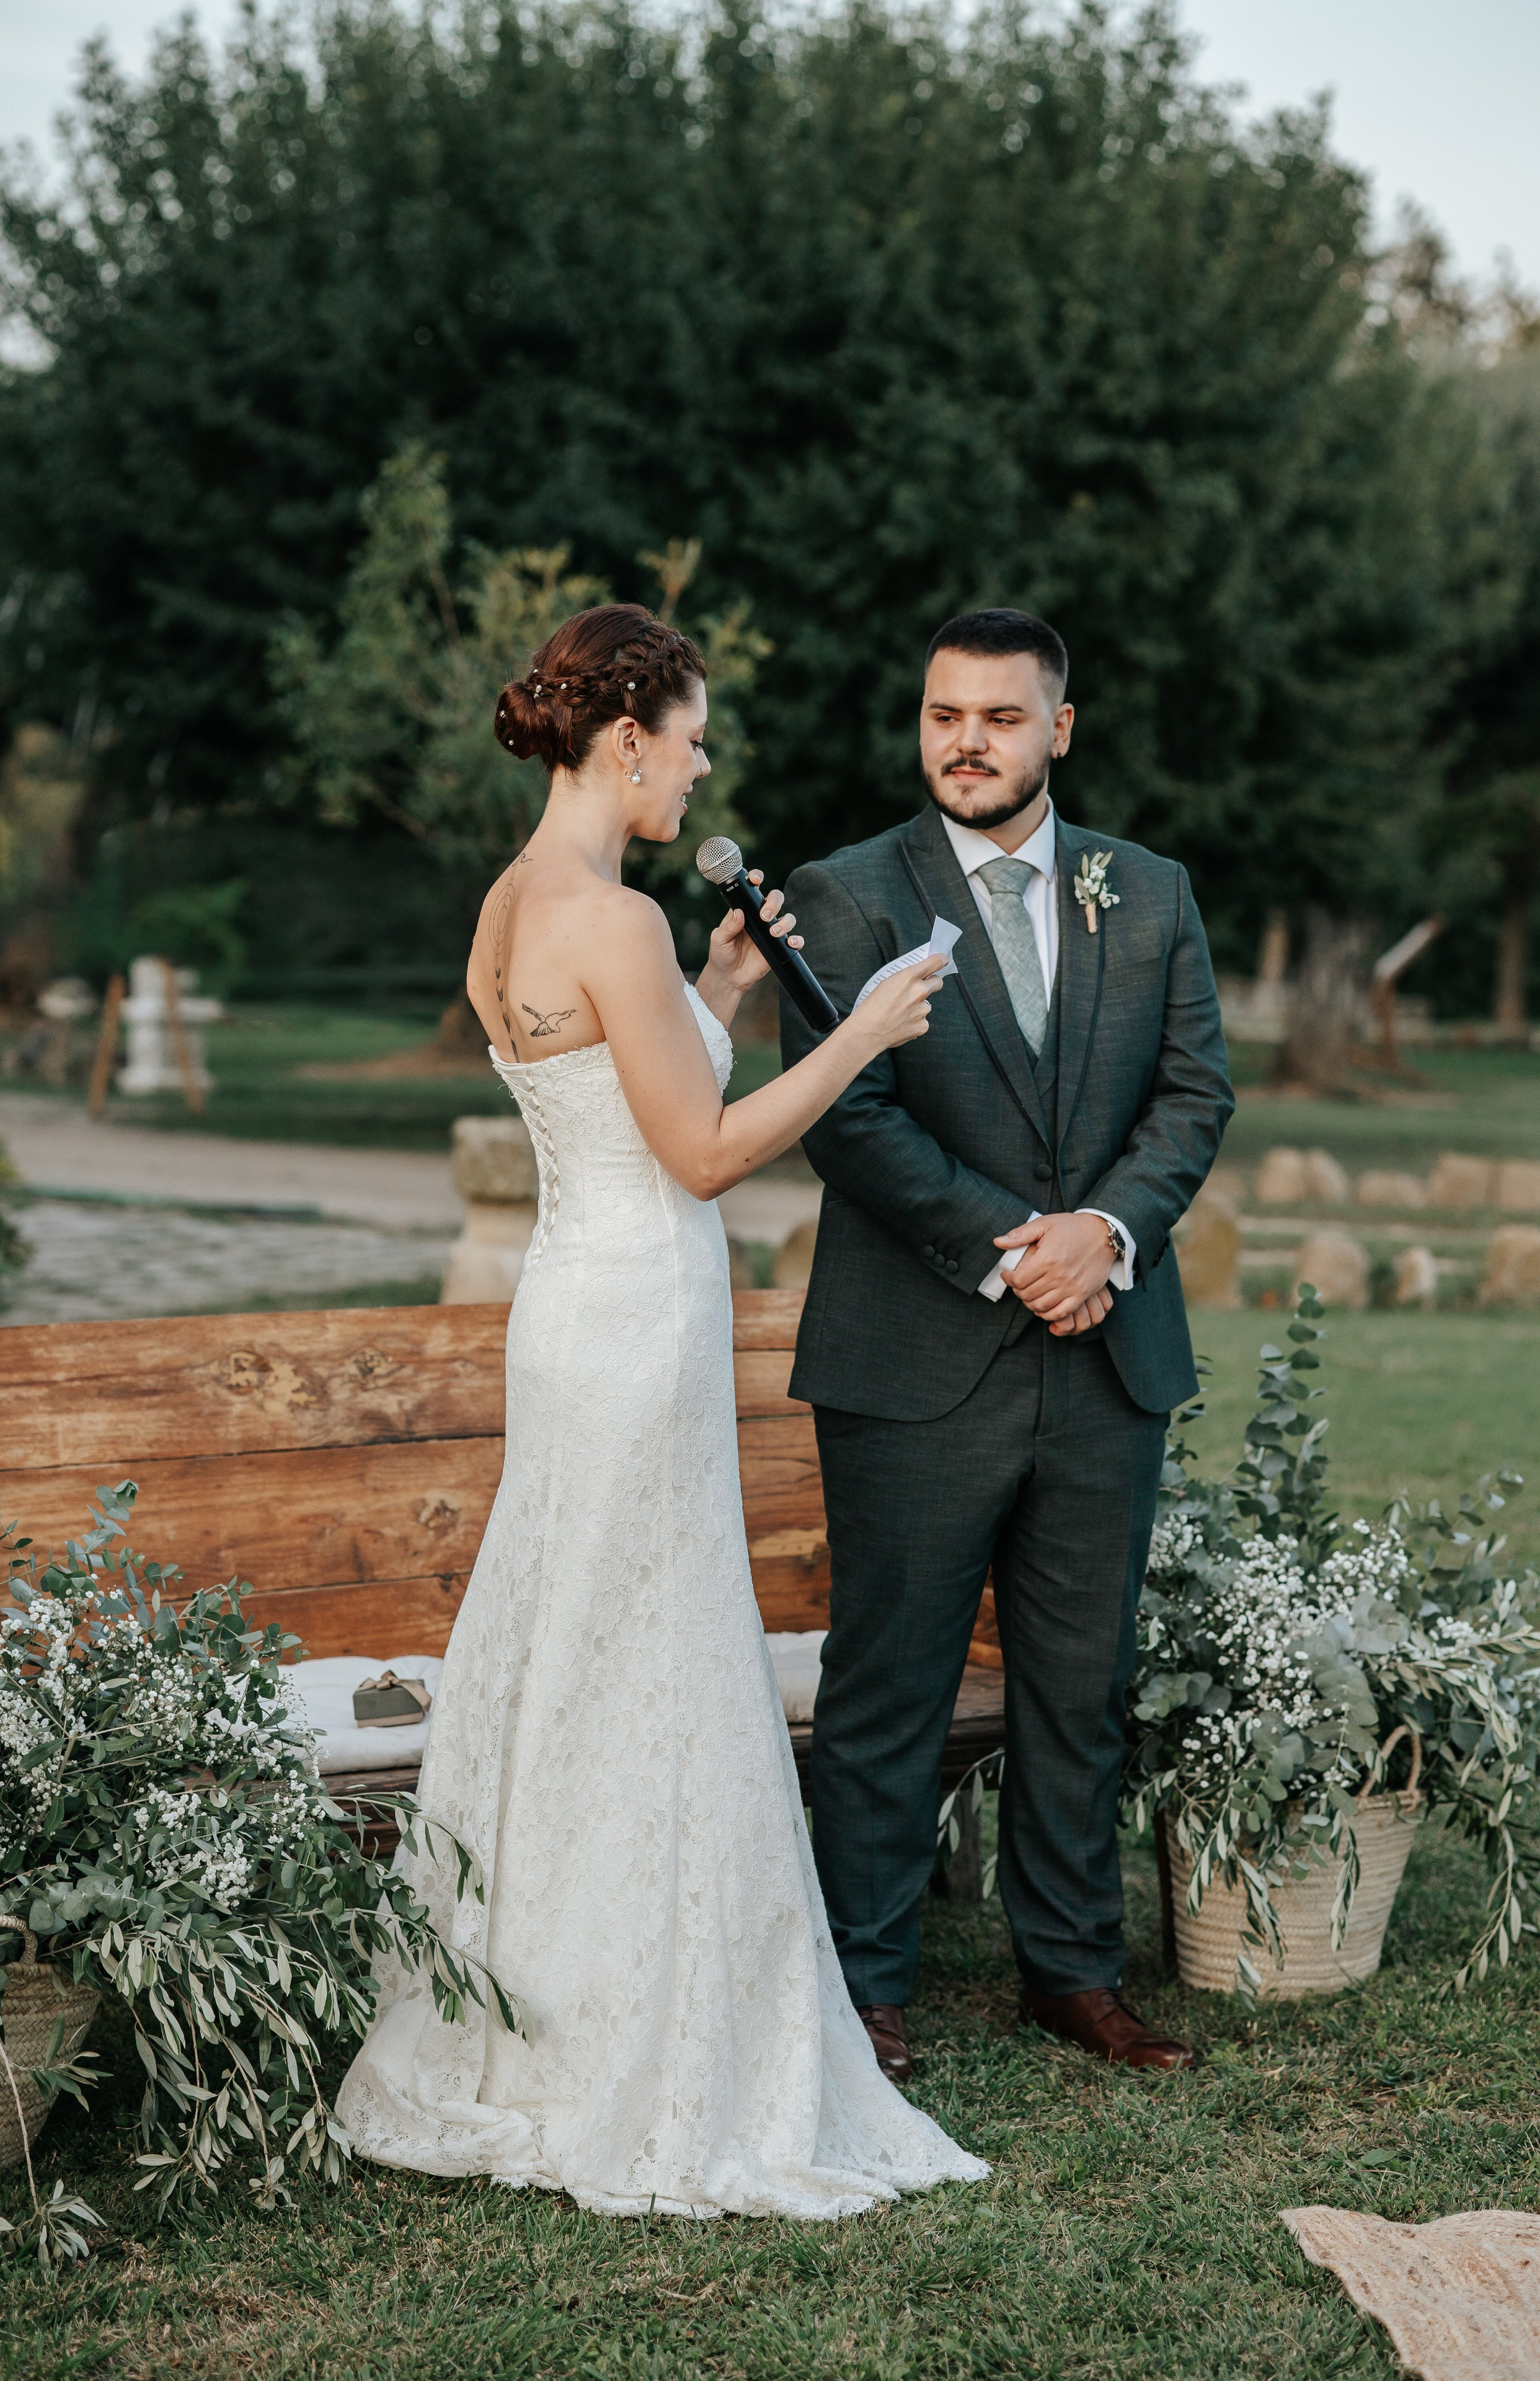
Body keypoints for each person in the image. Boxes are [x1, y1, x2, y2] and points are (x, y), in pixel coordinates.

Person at [336, 603, 986, 2217]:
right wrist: (863, 1033)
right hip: (639, 1321)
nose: (702, 768)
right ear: (624, 740)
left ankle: (526, 2022)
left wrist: (719, 978)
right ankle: (642, 2042)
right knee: (658, 1657)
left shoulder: (522, 907)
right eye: (690, 740)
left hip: (576, 1313)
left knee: (574, 1657)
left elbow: (622, 1096)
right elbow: (697, 1156)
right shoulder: (603, 920)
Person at [779, 608, 1234, 2083]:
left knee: (1075, 1680)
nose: (963, 740)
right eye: (939, 715)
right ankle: (862, 1984)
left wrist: (1099, 1239)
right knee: (887, 1686)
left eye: (996, 716)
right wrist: (1015, 1251)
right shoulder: (840, 899)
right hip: (918, 1358)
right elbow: (842, 1117)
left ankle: (1070, 1970)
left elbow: (1191, 1095)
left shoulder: (1147, 891)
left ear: (1059, 727)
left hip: (1106, 1351)